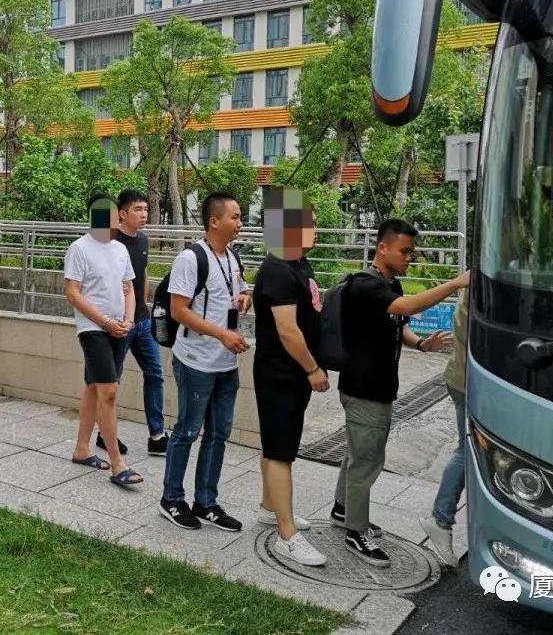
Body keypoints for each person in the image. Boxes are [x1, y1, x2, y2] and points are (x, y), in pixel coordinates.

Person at [332, 218, 469, 567]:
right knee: (368, 460)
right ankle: (356, 532)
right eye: (404, 251)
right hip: (365, 388)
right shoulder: (365, 285)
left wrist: (422, 344)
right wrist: (455, 283)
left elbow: (400, 324)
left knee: (355, 453)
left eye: (412, 251)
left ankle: (343, 509)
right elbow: (404, 308)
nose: (410, 257)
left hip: (374, 386)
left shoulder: (390, 282)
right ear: (383, 248)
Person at [159, 192, 249, 532]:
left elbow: (236, 292)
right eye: (235, 217)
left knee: (218, 434)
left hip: (226, 362)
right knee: (187, 431)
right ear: (214, 221)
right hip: (196, 360)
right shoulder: (190, 258)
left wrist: (243, 298)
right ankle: (171, 499)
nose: (240, 223)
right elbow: (178, 310)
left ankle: (206, 502)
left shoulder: (233, 258)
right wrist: (220, 334)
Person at [253, 187, 328, 566]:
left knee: (277, 446)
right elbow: (288, 331)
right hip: (281, 373)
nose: (314, 227)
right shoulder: (279, 270)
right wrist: (312, 368)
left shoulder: (298, 263)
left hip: (291, 374)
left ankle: (271, 506)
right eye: (308, 222)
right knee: (282, 453)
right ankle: (287, 534)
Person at [64, 194, 142, 487]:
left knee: (94, 389)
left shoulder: (120, 249)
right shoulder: (79, 249)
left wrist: (128, 320)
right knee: (109, 392)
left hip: (120, 328)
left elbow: (128, 288)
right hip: (93, 329)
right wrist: (106, 322)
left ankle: (82, 449)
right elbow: (73, 293)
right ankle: (118, 465)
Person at [103, 189, 169, 456]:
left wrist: (145, 308)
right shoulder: (109, 242)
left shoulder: (142, 240)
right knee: (111, 381)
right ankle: (105, 434)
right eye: (138, 210)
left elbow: (141, 276)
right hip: (119, 323)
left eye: (145, 210)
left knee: (155, 374)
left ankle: (157, 435)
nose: (144, 215)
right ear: (122, 214)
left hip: (142, 322)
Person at [421, 288, 470, 567]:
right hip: (468, 381)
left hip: (461, 377)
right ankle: (441, 519)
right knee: (468, 451)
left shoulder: (476, 281)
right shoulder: (485, 283)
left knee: (468, 450)